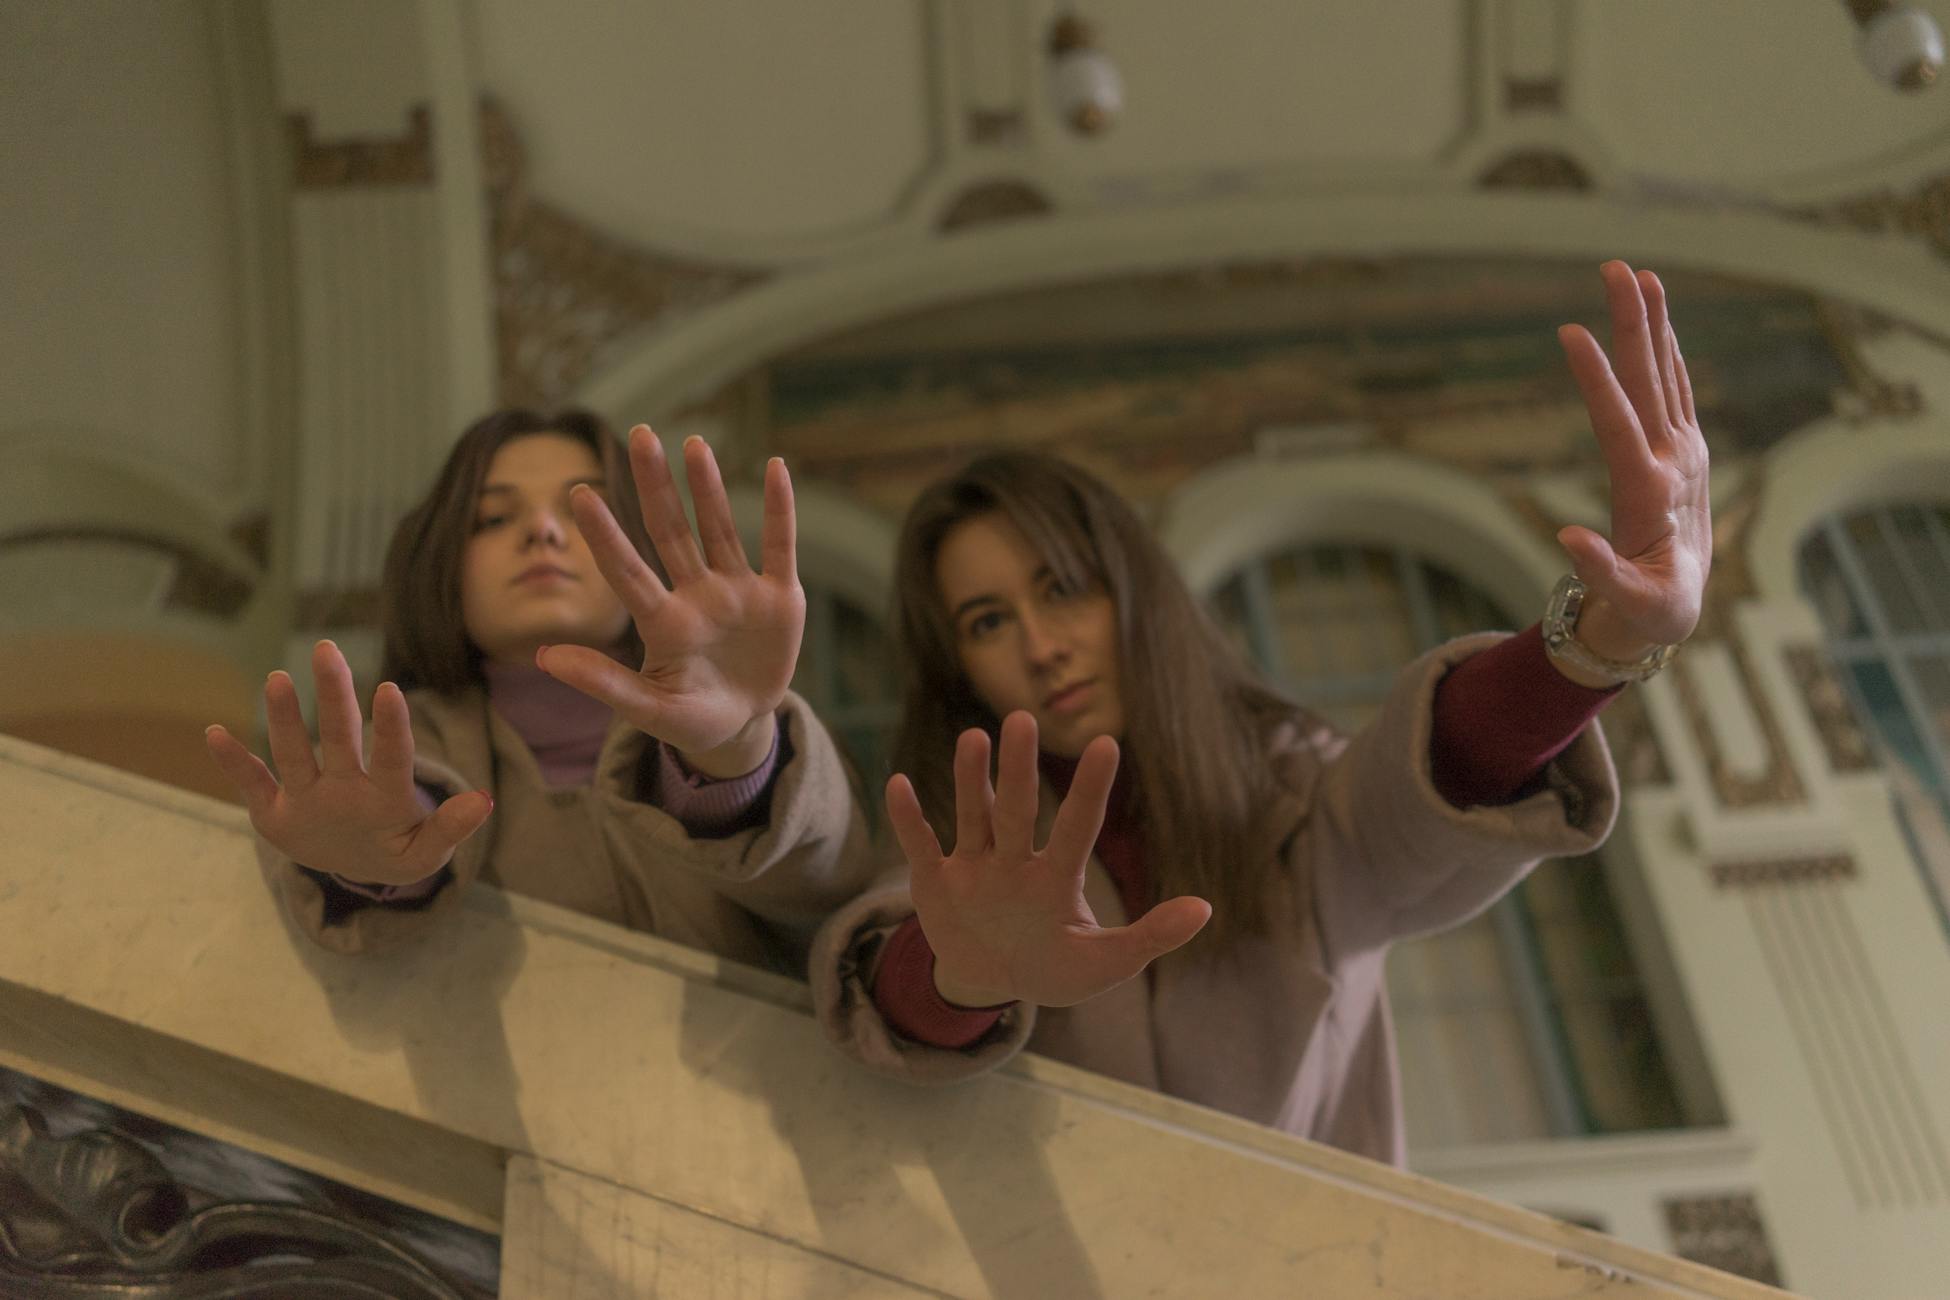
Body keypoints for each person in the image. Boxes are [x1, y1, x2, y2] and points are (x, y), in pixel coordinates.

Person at [810, 261, 1712, 1165]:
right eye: (989, 621)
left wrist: (1595, 645)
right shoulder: (953, 834)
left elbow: (1419, 788)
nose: (1041, 645)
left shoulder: (1287, 782)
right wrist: (958, 979)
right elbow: (887, 961)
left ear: (1137, 591)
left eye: (1066, 588)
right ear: (955, 665)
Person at [204, 408, 872, 970]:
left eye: (587, 511)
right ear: (440, 561)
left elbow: (826, 882)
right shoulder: (402, 751)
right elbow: (397, 822)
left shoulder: (769, 730)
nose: (543, 531)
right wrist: (369, 867)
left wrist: (736, 750)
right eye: (493, 519)